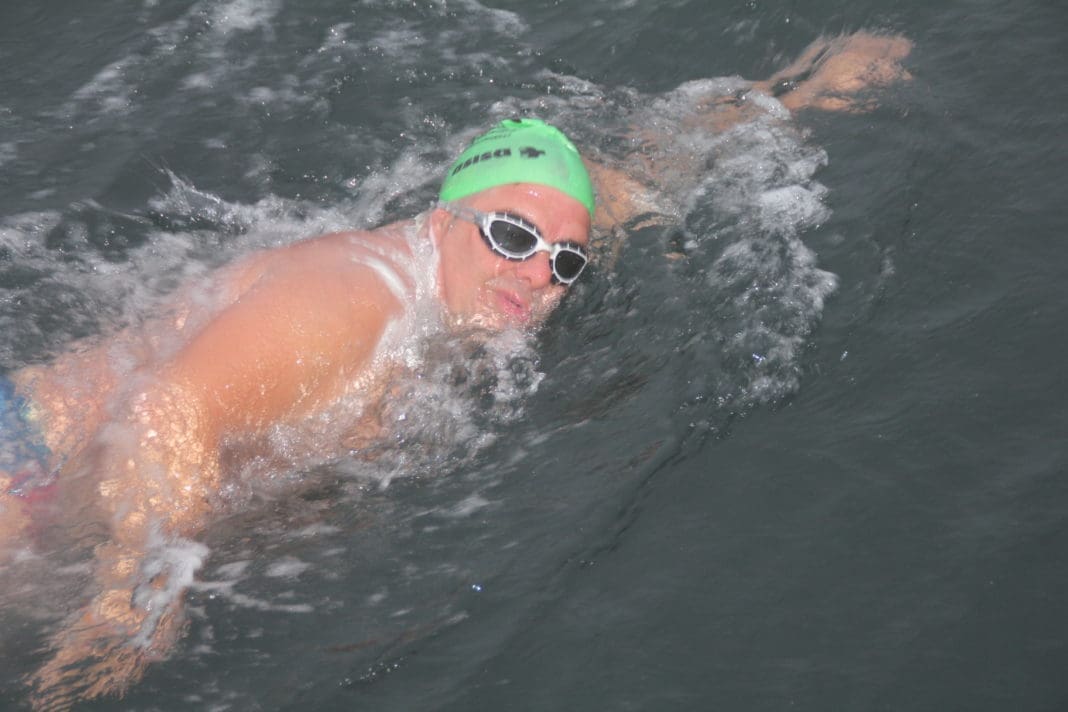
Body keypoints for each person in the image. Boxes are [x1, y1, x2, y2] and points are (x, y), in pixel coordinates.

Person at [0, 31, 912, 709]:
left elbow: (649, 166)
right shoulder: (352, 300)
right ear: (442, 222)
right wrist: (134, 596)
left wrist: (805, 93)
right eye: (514, 237)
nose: (535, 272)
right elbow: (170, 409)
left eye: (565, 261)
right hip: (26, 476)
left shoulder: (482, 252)